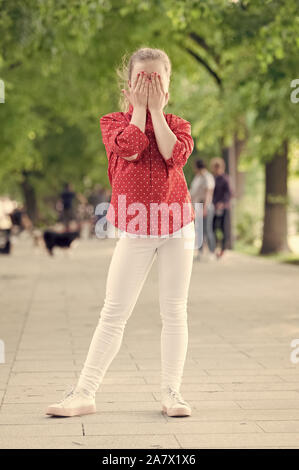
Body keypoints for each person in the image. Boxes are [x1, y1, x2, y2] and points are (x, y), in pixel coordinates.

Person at [46, 47, 196, 419]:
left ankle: (172, 393)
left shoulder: (178, 125)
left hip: (178, 224)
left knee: (174, 311)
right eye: (141, 79)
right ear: (127, 87)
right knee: (114, 312)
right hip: (136, 228)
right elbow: (131, 148)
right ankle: (84, 392)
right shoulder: (113, 122)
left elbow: (173, 155)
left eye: (155, 79)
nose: (148, 85)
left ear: (167, 88)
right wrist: (141, 109)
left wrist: (156, 112)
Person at [189, 159, 216, 261]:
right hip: (197, 206)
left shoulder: (207, 177)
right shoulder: (198, 177)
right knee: (199, 230)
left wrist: (205, 207)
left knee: (208, 230)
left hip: (205, 206)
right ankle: (200, 252)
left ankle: (212, 252)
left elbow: (208, 193)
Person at [210, 157, 233, 258]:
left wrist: (223, 203)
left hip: (224, 207)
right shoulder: (213, 179)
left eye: (218, 167)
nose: (216, 169)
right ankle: (215, 248)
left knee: (224, 229)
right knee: (213, 228)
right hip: (214, 207)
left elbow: (229, 193)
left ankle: (223, 249)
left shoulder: (225, 179)